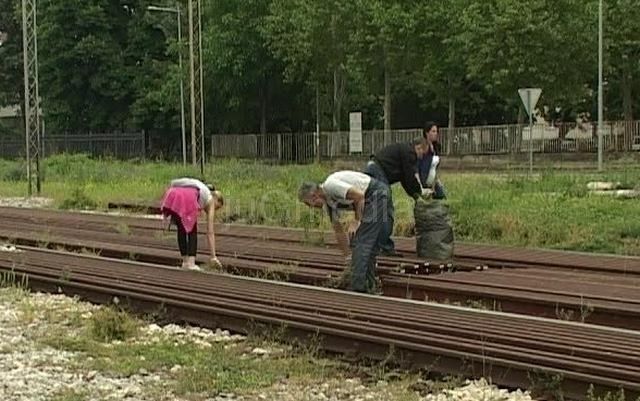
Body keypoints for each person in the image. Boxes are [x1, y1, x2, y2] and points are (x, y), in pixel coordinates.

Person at [298, 171, 389, 293]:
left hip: (375, 194)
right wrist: (347, 257)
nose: (311, 208)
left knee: (361, 241)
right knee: (365, 242)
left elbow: (359, 196)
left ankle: (358, 288)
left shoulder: (331, 186)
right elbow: (339, 231)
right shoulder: (328, 203)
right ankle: (369, 284)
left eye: (308, 204)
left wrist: (356, 221)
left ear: (314, 196)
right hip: (369, 199)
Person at [362, 138, 429, 256]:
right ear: (418, 148)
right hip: (378, 171)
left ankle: (368, 242)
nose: (420, 158)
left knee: (375, 211)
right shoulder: (409, 153)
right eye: (422, 154)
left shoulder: (403, 152)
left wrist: (415, 196)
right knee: (386, 210)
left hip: (372, 167)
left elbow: (405, 180)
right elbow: (410, 177)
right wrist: (419, 194)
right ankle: (385, 247)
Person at [160, 177, 224, 270]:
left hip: (173, 193)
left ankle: (185, 262)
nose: (215, 210)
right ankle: (191, 263)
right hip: (187, 197)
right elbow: (210, 232)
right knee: (192, 229)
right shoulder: (210, 200)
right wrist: (213, 256)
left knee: (181, 228)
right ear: (216, 199)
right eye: (217, 207)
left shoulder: (201, 190)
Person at [418, 122, 446, 199]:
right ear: (427, 133)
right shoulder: (422, 147)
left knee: (441, 196)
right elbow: (419, 165)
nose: (436, 133)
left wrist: (437, 181)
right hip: (424, 179)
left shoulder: (437, 147)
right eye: (433, 131)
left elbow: (436, 166)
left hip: (433, 180)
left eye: (436, 131)